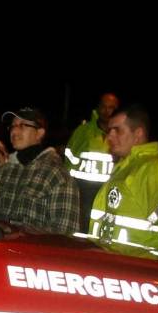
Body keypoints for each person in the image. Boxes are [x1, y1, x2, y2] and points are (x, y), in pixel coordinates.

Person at [90, 104, 158, 251]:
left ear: (138, 134)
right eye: (109, 130)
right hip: (115, 263)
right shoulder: (126, 168)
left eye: (117, 130)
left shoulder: (153, 169)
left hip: (137, 266)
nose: (109, 136)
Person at [0, 107, 80, 234]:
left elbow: (65, 233)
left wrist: (19, 232)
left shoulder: (57, 175)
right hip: (1, 252)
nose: (14, 131)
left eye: (22, 125)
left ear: (40, 133)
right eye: (12, 126)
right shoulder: (2, 173)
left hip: (35, 253)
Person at [64, 92, 119, 221]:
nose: (106, 111)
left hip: (110, 198)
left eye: (111, 107)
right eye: (103, 106)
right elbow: (68, 161)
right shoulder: (82, 132)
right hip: (82, 197)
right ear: (98, 108)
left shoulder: (122, 135)